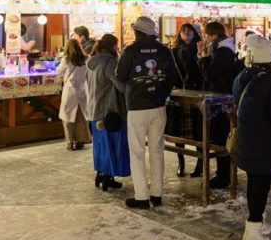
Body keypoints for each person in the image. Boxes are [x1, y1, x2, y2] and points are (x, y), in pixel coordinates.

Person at [115, 16, 179, 209]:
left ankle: (142, 196)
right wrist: (162, 93)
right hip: (158, 106)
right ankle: (157, 194)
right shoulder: (164, 51)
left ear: (137, 32)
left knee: (137, 152)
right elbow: (173, 77)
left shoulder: (131, 51)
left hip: (137, 106)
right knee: (157, 151)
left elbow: (120, 75)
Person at [232, 35, 271, 240]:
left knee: (254, 183)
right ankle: (253, 230)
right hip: (264, 141)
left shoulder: (241, 77)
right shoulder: (268, 81)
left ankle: (257, 222)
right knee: (260, 186)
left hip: (247, 138)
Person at [196, 21, 238, 188]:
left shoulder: (223, 52)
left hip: (222, 102)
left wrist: (202, 56)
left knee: (221, 138)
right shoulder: (222, 50)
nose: (205, 38)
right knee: (220, 137)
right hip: (221, 100)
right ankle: (223, 174)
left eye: (207, 35)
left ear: (213, 35)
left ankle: (224, 176)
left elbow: (209, 75)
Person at [86, 34, 130, 191]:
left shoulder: (90, 63)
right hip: (109, 111)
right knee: (112, 145)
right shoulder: (109, 62)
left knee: (100, 145)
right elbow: (120, 85)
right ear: (113, 47)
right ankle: (108, 177)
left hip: (94, 110)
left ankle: (100, 173)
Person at [170, 23, 202, 177]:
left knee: (198, 130)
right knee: (179, 129)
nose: (187, 33)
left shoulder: (200, 49)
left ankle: (200, 163)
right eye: (184, 31)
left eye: (189, 31)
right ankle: (180, 160)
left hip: (197, 93)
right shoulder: (175, 51)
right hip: (180, 92)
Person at [57, 39, 91, 151]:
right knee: (81, 118)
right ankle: (81, 141)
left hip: (70, 90)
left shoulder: (67, 59)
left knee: (67, 117)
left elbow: (59, 72)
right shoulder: (86, 58)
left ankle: (70, 142)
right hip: (82, 90)